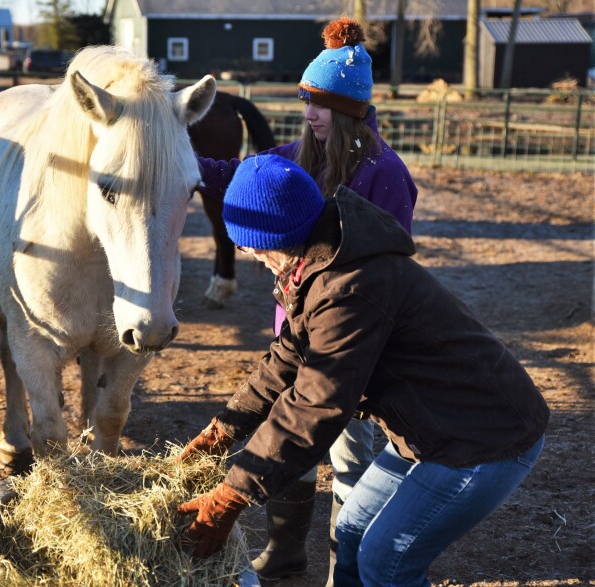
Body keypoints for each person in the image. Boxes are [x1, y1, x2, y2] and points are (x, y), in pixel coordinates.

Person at [176, 154, 549, 585]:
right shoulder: (318, 263)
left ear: (275, 234)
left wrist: (232, 494)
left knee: (385, 561)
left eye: (250, 247)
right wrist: (223, 428)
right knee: (352, 529)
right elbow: (286, 357)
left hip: (482, 438)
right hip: (433, 427)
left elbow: (316, 403)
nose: (250, 257)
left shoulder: (349, 288)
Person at [194, 16, 418, 581]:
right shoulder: (300, 155)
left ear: (349, 109)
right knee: (283, 438)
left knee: (347, 456)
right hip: (294, 329)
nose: (310, 113)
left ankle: (349, 565)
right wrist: (178, 160)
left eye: (320, 104)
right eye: (306, 101)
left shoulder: (384, 173)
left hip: (352, 340)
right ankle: (287, 551)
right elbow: (240, 174)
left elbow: (384, 263)